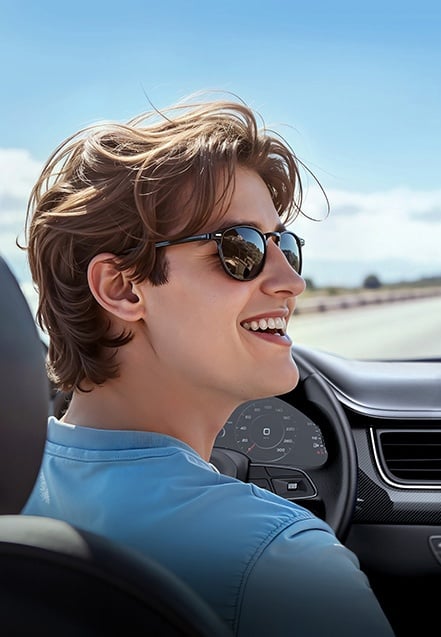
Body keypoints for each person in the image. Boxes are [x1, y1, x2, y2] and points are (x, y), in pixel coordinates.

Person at [20, 97, 396, 636]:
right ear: (123, 288)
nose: (291, 280)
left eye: (284, 243)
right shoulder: (282, 562)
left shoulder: (15, 496)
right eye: (239, 248)